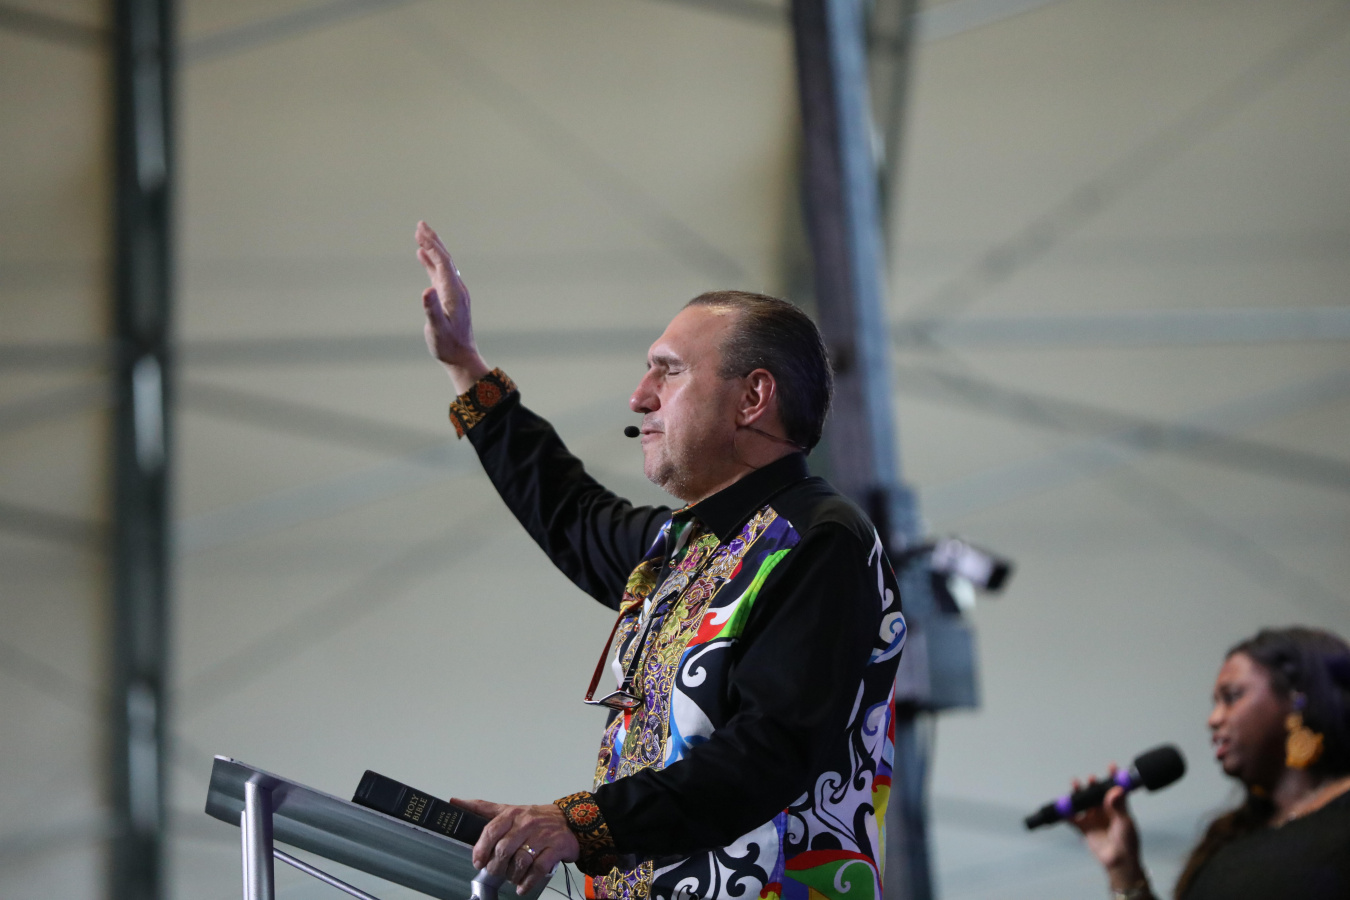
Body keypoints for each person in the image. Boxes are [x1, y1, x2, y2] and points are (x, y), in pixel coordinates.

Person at [413, 221, 907, 900]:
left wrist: (578, 822)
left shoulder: (819, 539)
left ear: (753, 397)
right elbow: (568, 511)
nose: (639, 396)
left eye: (668, 370)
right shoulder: (680, 549)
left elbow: (769, 750)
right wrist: (465, 366)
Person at [1072, 626, 1350, 900]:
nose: (1213, 719)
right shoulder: (1230, 838)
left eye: (1232, 697)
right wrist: (1124, 869)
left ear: (1297, 698)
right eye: (1215, 703)